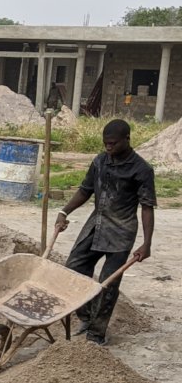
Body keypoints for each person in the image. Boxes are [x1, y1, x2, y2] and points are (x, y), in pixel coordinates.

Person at [55, 119, 155, 345]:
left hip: (121, 232)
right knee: (73, 269)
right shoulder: (100, 161)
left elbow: (147, 207)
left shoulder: (141, 169)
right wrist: (64, 211)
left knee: (108, 285)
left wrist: (146, 243)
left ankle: (97, 334)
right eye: (105, 144)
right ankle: (87, 317)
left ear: (127, 140)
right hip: (95, 225)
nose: (108, 148)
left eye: (113, 143)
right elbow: (85, 190)